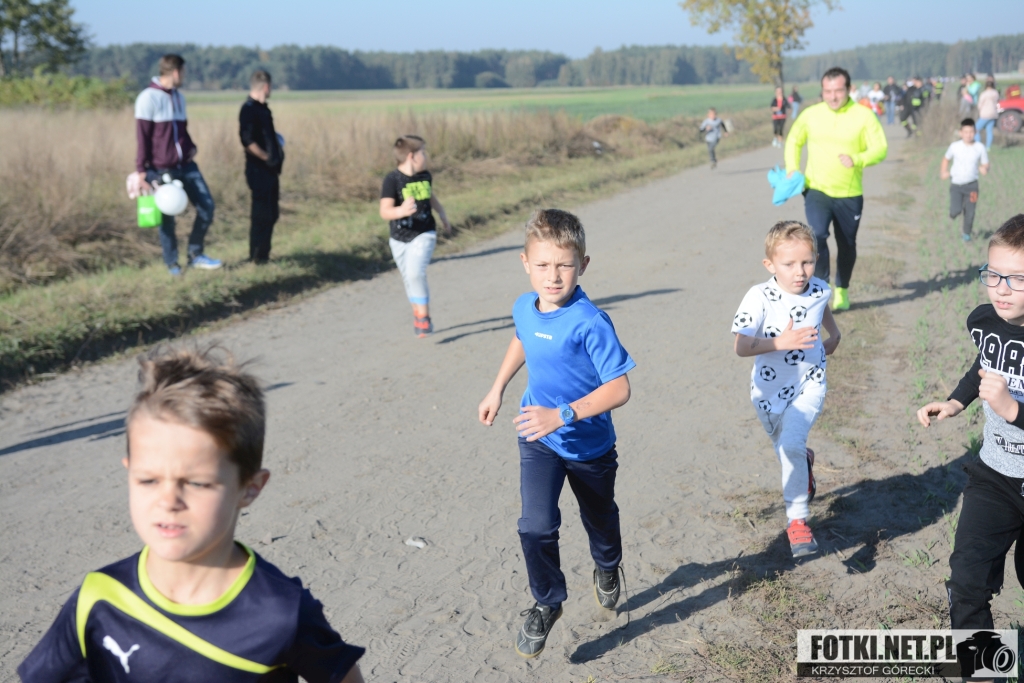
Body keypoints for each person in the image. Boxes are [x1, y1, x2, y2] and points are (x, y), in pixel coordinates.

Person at [17, 345, 366, 682]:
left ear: (250, 487)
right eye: (148, 480)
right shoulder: (99, 597)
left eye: (197, 483)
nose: (168, 500)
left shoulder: (281, 613)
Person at [477, 209, 635, 658]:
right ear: (525, 263)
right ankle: (548, 602)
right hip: (538, 437)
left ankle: (608, 565)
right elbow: (523, 338)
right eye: (543, 265)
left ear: (583, 264)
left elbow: (620, 388)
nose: (553, 276)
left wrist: (562, 415)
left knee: (599, 518)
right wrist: (497, 388)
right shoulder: (524, 306)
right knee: (535, 526)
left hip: (589, 446)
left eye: (565, 265)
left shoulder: (590, 321)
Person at [916, 214, 1024, 669]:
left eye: (1017, 279)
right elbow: (983, 366)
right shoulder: (987, 323)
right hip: (995, 475)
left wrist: (1013, 410)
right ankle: (983, 672)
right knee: (967, 579)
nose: (1001, 288)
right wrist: (956, 402)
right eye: (993, 275)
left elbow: (1005, 399)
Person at [732, 221, 841, 557]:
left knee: (791, 445)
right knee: (788, 452)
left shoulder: (820, 288)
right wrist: (781, 341)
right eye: (789, 264)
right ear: (770, 265)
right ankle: (803, 462)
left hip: (810, 383)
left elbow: (821, 305)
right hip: (767, 392)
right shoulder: (759, 297)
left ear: (816, 259)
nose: (800, 272)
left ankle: (797, 522)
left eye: (807, 262)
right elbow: (741, 346)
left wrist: (835, 334)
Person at [785, 66, 888, 312]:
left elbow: (880, 148)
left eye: (838, 91)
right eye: (827, 91)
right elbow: (794, 140)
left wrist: (858, 158)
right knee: (817, 235)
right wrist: (792, 168)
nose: (832, 96)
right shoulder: (811, 114)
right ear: (822, 91)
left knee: (847, 244)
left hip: (849, 194)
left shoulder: (863, 116)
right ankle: (821, 289)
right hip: (816, 189)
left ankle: (842, 288)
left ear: (848, 89)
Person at [135, 54, 221, 276]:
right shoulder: (147, 98)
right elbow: (142, 137)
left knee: (207, 206)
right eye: (183, 72)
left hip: (187, 166)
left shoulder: (179, 97)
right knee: (167, 218)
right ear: (175, 72)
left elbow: (181, 131)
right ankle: (172, 264)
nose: (184, 76)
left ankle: (195, 254)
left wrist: (190, 147)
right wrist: (141, 170)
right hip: (161, 168)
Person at [379, 135, 451, 337]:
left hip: (424, 232)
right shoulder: (392, 180)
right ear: (412, 156)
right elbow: (384, 211)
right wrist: (401, 211)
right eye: (423, 153)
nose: (426, 157)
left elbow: (429, 195)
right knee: (408, 277)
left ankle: (424, 316)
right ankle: (417, 312)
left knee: (415, 273)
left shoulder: (425, 175)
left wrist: (442, 213)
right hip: (399, 237)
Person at [239, 69, 284, 264]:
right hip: (258, 171)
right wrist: (266, 157)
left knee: (272, 214)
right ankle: (256, 257)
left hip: (271, 171)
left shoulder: (263, 109)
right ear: (266, 87)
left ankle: (264, 254)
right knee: (261, 215)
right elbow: (247, 141)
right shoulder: (249, 109)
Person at [942, 118, 990, 242]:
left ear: (975, 132)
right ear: (961, 133)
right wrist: (943, 171)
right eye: (966, 132)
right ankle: (955, 212)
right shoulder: (955, 146)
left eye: (971, 132)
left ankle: (966, 234)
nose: (968, 135)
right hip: (956, 186)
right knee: (955, 211)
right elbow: (946, 159)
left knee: (971, 212)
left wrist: (985, 168)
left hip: (972, 186)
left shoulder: (980, 147)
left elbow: (986, 163)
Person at [976, 79, 1000, 149]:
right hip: (993, 114)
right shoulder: (996, 93)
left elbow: (980, 105)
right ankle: (988, 147)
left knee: (976, 129)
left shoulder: (984, 94)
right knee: (989, 131)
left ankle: (978, 145)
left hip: (985, 114)